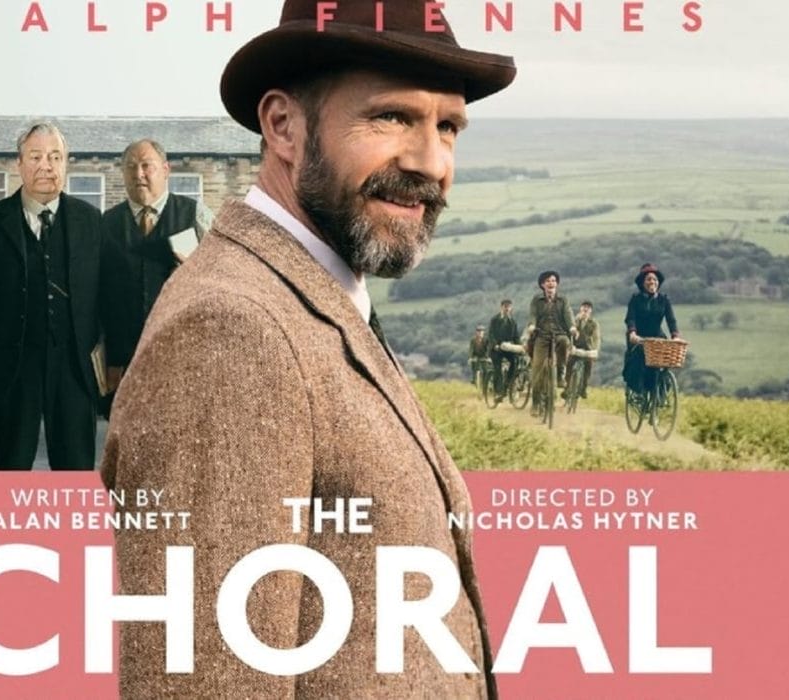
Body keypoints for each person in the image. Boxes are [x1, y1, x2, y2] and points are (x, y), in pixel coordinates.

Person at [100, 0, 515, 696]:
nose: (431, 162)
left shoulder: (312, 295)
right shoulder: (231, 332)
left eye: (448, 126)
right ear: (283, 126)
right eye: (391, 117)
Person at [0, 122, 103, 470]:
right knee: (10, 465)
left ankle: (72, 527)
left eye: (55, 157)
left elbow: (105, 298)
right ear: (19, 164)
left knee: (76, 468)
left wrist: (107, 363)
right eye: (36, 156)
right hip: (10, 364)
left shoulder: (91, 221)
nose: (46, 165)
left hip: (73, 367)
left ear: (66, 163)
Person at [100, 139, 213, 394]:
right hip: (124, 363)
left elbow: (223, 280)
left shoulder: (196, 215)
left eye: (146, 165)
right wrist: (107, 362)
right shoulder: (105, 224)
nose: (138, 174)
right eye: (130, 167)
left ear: (165, 170)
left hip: (182, 357)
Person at [623, 263, 680, 393]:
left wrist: (675, 336)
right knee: (639, 359)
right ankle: (640, 390)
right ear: (643, 283)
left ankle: (658, 391)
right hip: (638, 336)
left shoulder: (664, 300)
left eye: (655, 279)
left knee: (661, 361)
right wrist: (632, 332)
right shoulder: (635, 299)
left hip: (656, 335)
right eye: (648, 279)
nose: (652, 282)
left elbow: (671, 320)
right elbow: (630, 318)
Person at [526, 270, 577, 416]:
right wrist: (531, 325)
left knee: (565, 342)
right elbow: (533, 315)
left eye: (553, 281)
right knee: (537, 369)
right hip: (541, 336)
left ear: (557, 284)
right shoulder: (537, 300)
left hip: (559, 333)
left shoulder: (563, 300)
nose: (551, 283)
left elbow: (568, 314)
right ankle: (535, 404)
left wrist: (572, 327)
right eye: (547, 281)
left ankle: (561, 374)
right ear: (542, 285)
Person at [565, 300, 600, 399]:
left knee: (588, 367)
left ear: (590, 311)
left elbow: (596, 337)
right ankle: (567, 388)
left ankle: (583, 388)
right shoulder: (575, 320)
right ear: (580, 309)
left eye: (588, 307)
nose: (585, 309)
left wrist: (595, 350)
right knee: (569, 364)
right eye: (584, 307)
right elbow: (569, 332)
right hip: (575, 346)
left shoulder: (594, 323)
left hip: (587, 348)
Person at [487, 298, 520, 403]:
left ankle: (508, 384)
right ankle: (498, 392)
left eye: (509, 307)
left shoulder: (513, 322)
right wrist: (495, 345)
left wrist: (520, 347)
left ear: (511, 308)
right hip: (496, 349)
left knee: (515, 362)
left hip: (508, 348)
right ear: (501, 307)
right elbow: (491, 334)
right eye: (505, 306)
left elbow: (516, 337)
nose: (507, 309)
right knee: (498, 368)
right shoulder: (495, 320)